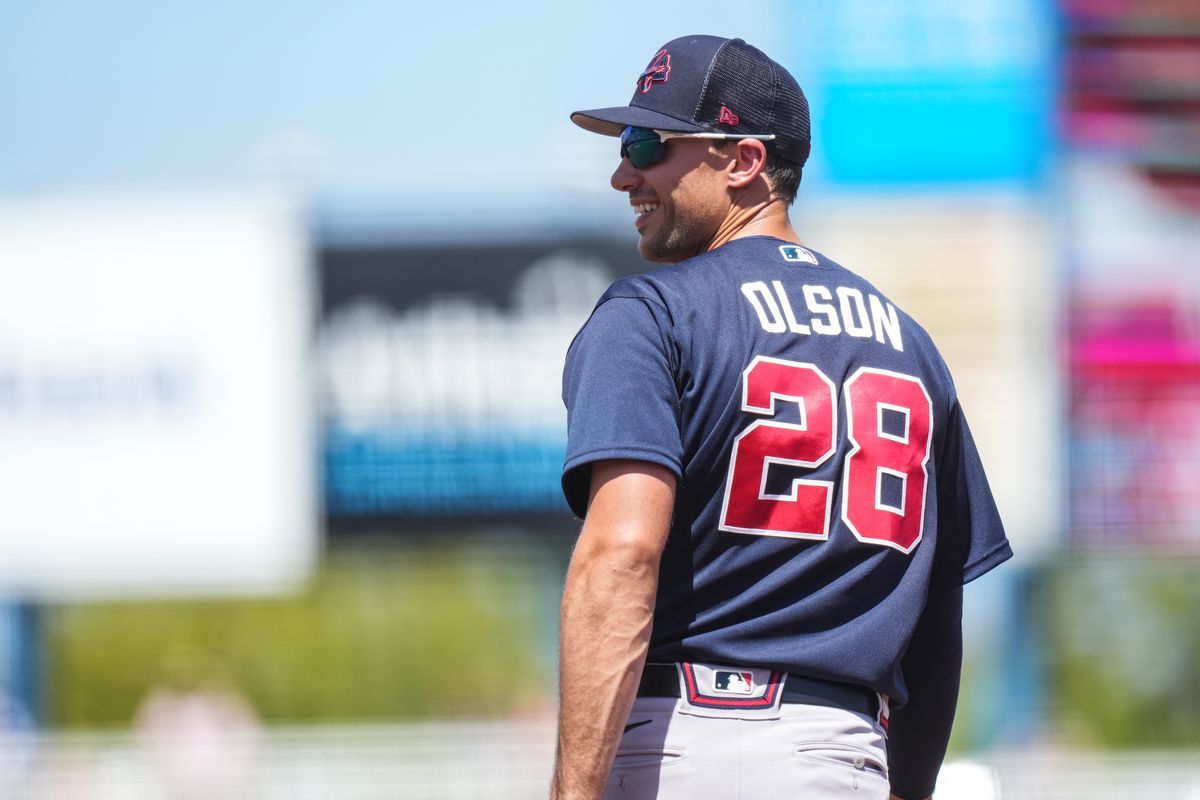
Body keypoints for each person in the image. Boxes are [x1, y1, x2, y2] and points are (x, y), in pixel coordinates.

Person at [552, 35, 1012, 800]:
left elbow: (622, 556)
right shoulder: (912, 346)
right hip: (846, 758)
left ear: (744, 162)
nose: (622, 172)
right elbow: (936, 628)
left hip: (690, 746)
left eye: (648, 143)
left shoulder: (653, 314)